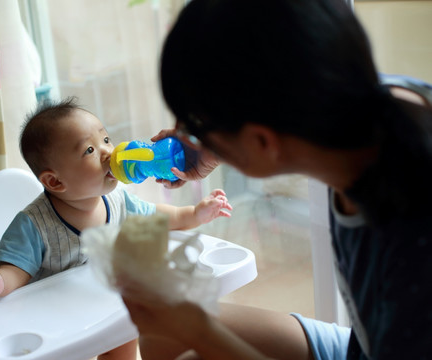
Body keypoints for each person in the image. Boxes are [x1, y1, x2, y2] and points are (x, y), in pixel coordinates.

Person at [119, 0, 432, 359]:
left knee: (189, 340)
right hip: (363, 346)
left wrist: (202, 334)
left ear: (263, 140)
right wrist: (216, 147)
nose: (188, 137)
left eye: (196, 126)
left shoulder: (416, 239)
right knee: (164, 337)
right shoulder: (378, 105)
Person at [0, 97, 233, 360]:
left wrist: (196, 214)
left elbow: (160, 218)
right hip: (53, 320)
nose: (108, 153)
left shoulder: (117, 200)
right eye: (89, 150)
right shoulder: (33, 225)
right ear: (54, 182)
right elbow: (15, 271)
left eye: (105, 139)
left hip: (101, 303)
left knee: (124, 332)